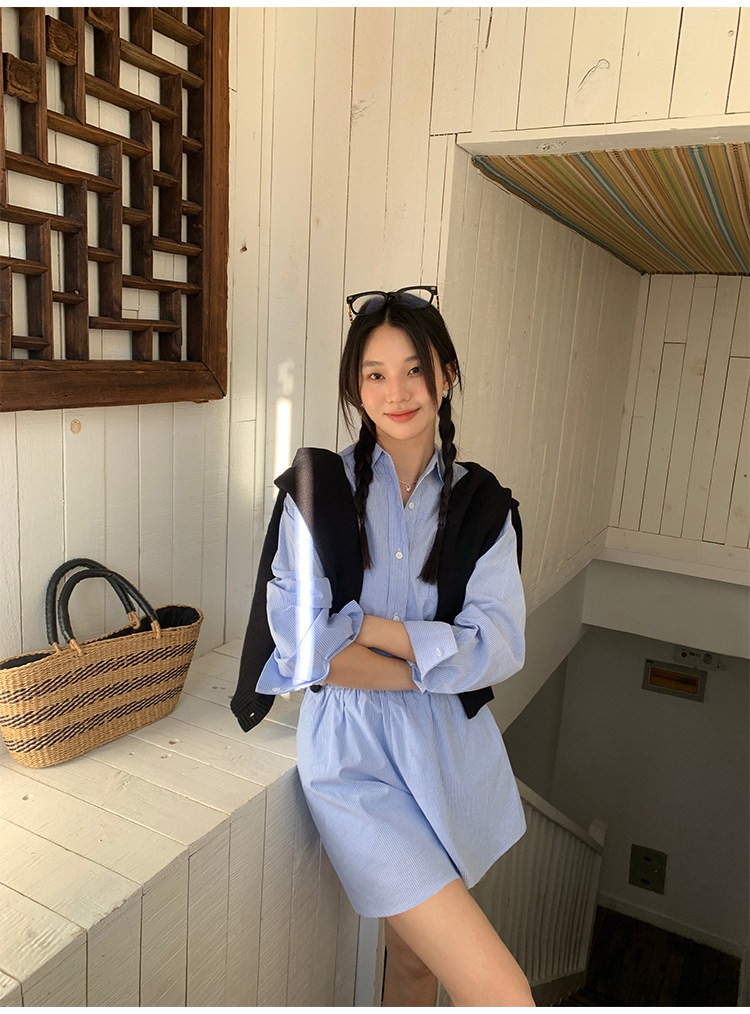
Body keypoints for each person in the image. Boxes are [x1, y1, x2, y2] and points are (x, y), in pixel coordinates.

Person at [233, 286, 535, 1006]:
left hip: (450, 757)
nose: (396, 392)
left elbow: (498, 646)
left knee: (414, 966)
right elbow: (304, 650)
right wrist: (431, 662)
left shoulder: (483, 505)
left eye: (414, 369)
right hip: (355, 763)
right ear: (354, 386)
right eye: (375, 373)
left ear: (446, 375)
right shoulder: (317, 490)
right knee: (505, 992)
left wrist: (364, 628)